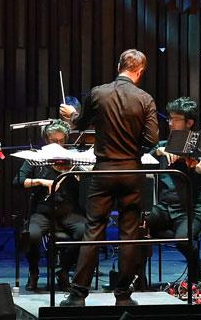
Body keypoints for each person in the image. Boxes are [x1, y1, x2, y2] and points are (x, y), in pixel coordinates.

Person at [57, 49, 159, 306]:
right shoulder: (145, 99)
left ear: (118, 66)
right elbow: (151, 140)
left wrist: (71, 115)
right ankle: (123, 297)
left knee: (93, 231)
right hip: (131, 172)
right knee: (129, 233)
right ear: (140, 71)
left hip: (103, 170)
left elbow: (79, 124)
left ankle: (77, 295)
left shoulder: (98, 92)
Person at [143, 97, 201, 283]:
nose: (171, 122)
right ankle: (137, 277)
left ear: (189, 123)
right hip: (165, 207)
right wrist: (157, 152)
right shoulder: (162, 146)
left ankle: (196, 267)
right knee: (137, 225)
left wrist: (198, 171)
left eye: (176, 119)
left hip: (191, 210)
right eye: (170, 118)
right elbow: (144, 162)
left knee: (183, 239)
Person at [13, 119, 86, 291]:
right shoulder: (36, 159)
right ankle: (34, 271)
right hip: (43, 212)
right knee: (31, 235)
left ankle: (64, 271)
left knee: (86, 232)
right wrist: (39, 181)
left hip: (69, 212)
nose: (58, 145)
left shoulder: (73, 159)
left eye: (62, 141)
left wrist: (81, 175)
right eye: (54, 141)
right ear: (46, 140)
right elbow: (18, 181)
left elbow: (88, 185)